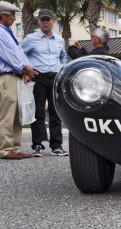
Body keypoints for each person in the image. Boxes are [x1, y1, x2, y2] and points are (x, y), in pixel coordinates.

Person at [20, 9, 69, 157]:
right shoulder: (30, 39)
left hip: (55, 78)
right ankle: (37, 146)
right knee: (38, 113)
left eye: (48, 19)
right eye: (43, 20)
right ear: (39, 22)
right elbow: (20, 54)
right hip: (38, 78)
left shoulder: (60, 40)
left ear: (52, 20)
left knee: (56, 113)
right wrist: (27, 70)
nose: (45, 22)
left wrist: (61, 69)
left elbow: (63, 57)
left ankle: (57, 146)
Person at [0, 1, 37, 159]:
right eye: (12, 15)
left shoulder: (7, 32)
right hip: (7, 77)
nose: (15, 18)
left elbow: (19, 53)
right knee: (7, 114)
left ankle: (15, 148)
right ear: (3, 15)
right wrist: (26, 68)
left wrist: (26, 69)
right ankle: (5, 149)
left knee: (17, 113)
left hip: (16, 76)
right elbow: (9, 56)